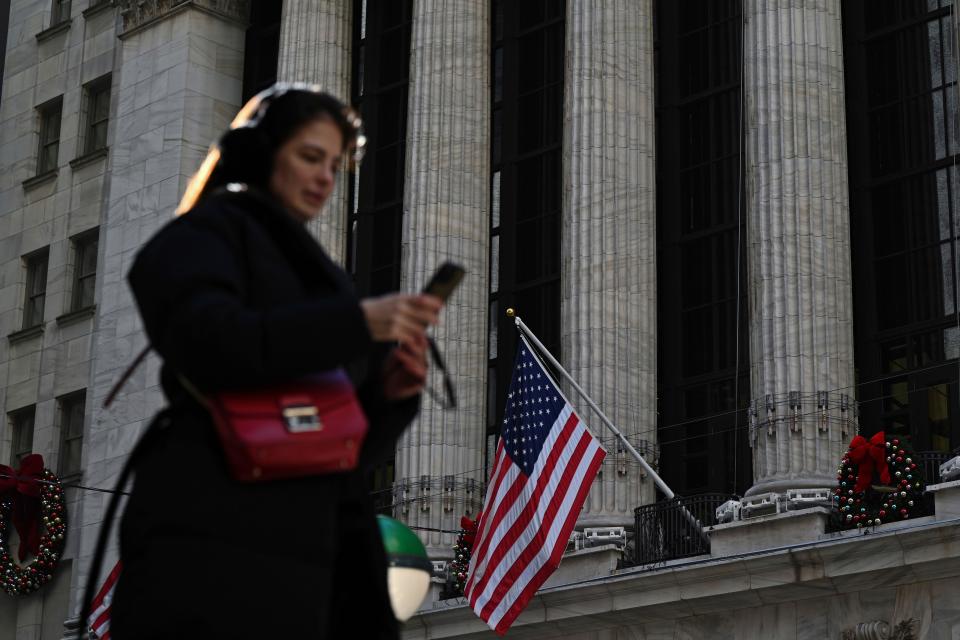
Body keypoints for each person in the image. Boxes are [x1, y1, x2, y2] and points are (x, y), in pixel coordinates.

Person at [109, 84, 442, 638]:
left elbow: (336, 448)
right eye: (310, 157)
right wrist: (356, 325)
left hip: (314, 560)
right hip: (211, 542)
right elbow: (212, 343)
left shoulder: (321, 278)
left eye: (335, 166)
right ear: (259, 153)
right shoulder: (199, 237)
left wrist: (389, 395)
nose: (325, 179)